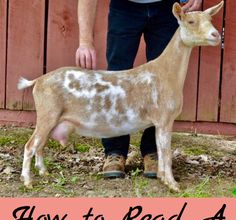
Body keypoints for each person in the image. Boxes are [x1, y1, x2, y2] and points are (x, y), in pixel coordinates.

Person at [76, 0, 202, 178]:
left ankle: (153, 151)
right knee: (118, 78)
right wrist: (85, 42)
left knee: (163, 83)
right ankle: (115, 151)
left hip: (166, 8)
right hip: (125, 7)